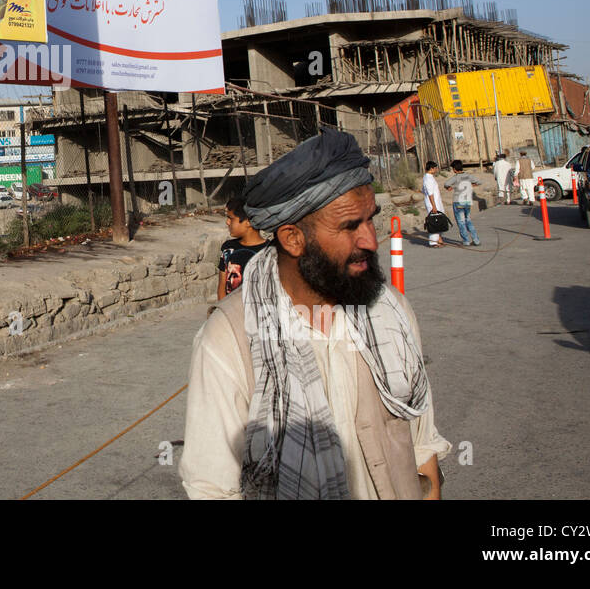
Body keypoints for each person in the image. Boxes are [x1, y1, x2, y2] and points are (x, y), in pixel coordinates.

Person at [179, 128, 451, 499]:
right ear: (292, 238)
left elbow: (423, 451)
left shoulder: (392, 311)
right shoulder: (229, 339)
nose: (371, 240)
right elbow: (213, 489)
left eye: (370, 219)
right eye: (349, 226)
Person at [216, 194, 270, 300]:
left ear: (248, 222)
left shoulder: (269, 251)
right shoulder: (228, 249)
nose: (227, 222)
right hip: (231, 311)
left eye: (231, 218)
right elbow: (222, 286)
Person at [443, 160, 481, 246]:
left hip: (458, 201)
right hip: (467, 201)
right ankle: (476, 239)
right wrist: (472, 185)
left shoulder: (456, 177)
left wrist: (450, 187)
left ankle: (466, 241)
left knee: (461, 222)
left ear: (455, 169)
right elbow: (479, 182)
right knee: (468, 220)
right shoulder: (468, 176)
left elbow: (446, 184)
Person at [422, 160, 445, 247]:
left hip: (436, 202)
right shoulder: (428, 179)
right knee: (434, 222)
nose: (436, 170)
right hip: (433, 203)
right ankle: (433, 242)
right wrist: (433, 206)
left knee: (439, 221)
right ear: (431, 168)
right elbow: (430, 193)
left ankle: (439, 239)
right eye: (435, 168)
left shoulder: (429, 177)